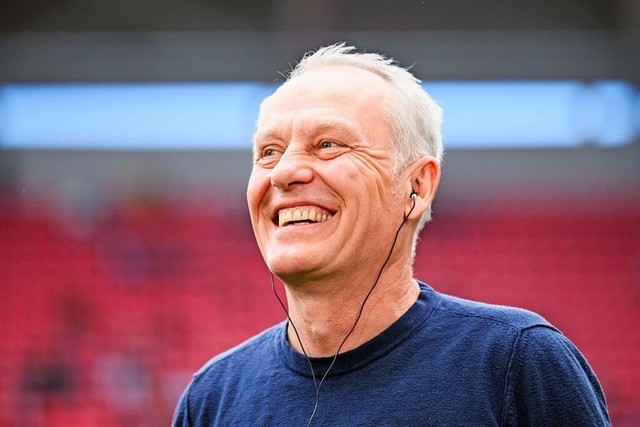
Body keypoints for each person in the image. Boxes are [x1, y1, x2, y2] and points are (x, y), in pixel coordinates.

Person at [173, 43, 610, 426]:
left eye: (328, 144)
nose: (285, 171)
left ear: (416, 187)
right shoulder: (211, 400)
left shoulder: (516, 364)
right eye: (268, 152)